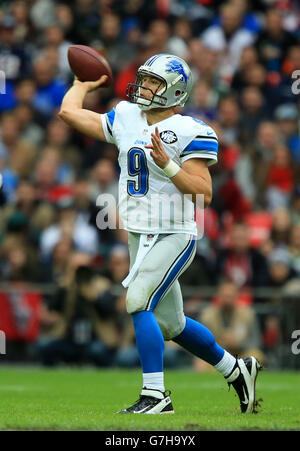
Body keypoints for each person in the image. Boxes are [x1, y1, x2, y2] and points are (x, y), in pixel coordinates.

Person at [58, 53, 262, 414]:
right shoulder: (126, 116)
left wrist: (168, 163)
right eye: (144, 79)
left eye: (154, 82)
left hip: (173, 234)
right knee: (173, 324)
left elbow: (205, 192)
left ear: (175, 92)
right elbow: (70, 115)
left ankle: (156, 395)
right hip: (139, 235)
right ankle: (236, 369)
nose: (144, 86)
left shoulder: (189, 129)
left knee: (137, 300)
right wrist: (80, 84)